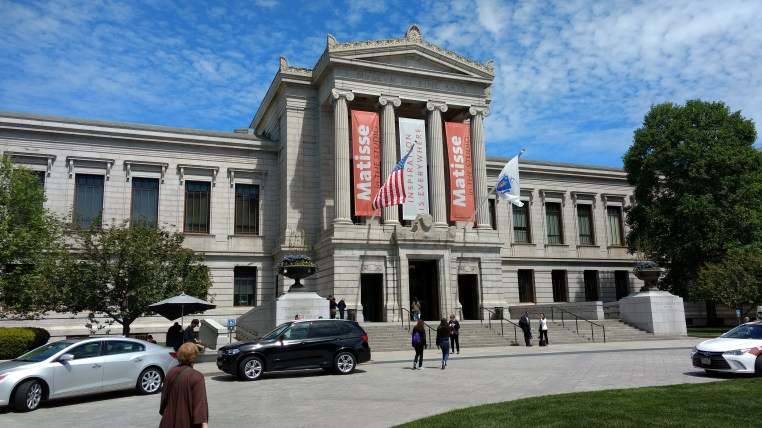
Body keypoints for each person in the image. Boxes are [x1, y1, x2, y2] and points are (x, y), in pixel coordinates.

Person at [159, 342, 209, 428]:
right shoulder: (197, 376)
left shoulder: (171, 371)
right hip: (186, 421)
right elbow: (200, 403)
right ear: (194, 356)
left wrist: (164, 411)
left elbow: (164, 397)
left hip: (168, 419)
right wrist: (204, 423)